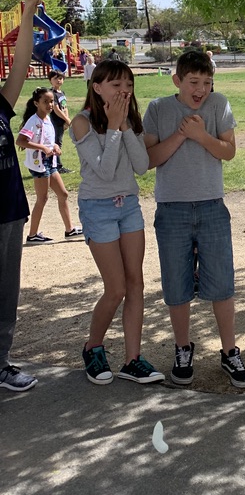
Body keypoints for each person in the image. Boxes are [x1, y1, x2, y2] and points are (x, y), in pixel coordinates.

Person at [143, 50, 245, 388]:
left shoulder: (219, 104)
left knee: (221, 283)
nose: (201, 89)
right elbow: (149, 159)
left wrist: (202, 136)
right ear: (177, 80)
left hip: (211, 206)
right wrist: (181, 134)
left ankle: (230, 351)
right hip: (172, 208)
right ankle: (182, 348)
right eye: (194, 82)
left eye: (207, 82)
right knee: (176, 285)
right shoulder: (158, 109)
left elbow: (229, 152)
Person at [71, 61, 163, 385]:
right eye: (116, 85)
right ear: (97, 87)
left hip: (129, 207)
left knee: (136, 283)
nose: (124, 91)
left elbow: (141, 166)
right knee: (116, 288)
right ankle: (93, 348)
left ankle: (132, 360)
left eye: (128, 84)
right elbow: (105, 171)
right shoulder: (81, 123)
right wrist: (112, 126)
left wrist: (124, 127)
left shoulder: (130, 121)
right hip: (98, 209)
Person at [0, 0, 42, 392]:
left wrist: (27, 16)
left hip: (10, 211)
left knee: (5, 294)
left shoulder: (1, 104)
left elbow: (23, 63)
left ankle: (1, 363)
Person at [16, 87, 82, 244]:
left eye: (51, 101)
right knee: (42, 198)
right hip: (39, 164)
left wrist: (54, 146)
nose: (50, 104)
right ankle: (32, 235)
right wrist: (44, 148)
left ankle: (70, 230)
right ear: (36, 103)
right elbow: (20, 141)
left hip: (49, 163)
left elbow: (47, 140)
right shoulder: (34, 121)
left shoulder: (47, 119)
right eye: (45, 101)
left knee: (63, 194)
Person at [47, 69, 72, 172]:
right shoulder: (52, 93)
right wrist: (67, 120)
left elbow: (64, 107)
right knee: (56, 143)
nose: (58, 80)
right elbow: (56, 109)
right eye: (55, 79)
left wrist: (67, 120)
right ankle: (57, 166)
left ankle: (56, 164)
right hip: (55, 121)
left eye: (61, 78)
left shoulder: (61, 93)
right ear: (50, 80)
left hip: (62, 121)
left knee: (59, 142)